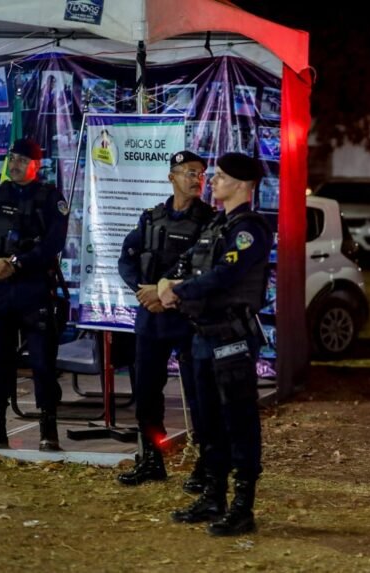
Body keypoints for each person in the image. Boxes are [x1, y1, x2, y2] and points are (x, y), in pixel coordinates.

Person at [158, 152, 271, 537]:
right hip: (204, 336)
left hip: (233, 339)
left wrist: (177, 291)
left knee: (237, 421)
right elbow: (186, 262)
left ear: (240, 185)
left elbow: (225, 274)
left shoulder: (249, 229)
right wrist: (166, 283)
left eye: (220, 176)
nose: (213, 181)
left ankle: (242, 506)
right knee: (208, 421)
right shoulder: (216, 225)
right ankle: (213, 495)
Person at [117, 151, 214, 488]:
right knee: (146, 391)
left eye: (200, 173)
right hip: (151, 320)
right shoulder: (151, 218)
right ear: (172, 176)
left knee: (198, 393)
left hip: (187, 320)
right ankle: (151, 458)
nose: (196, 179)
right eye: (189, 172)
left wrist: (163, 295)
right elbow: (126, 259)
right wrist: (142, 291)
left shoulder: (210, 221)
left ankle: (205, 465)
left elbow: (201, 266)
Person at [0, 138, 69, 451]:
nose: (13, 164)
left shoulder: (50, 197)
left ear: (34, 165)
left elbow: (54, 242)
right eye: (11, 158)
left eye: (20, 159)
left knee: (41, 362)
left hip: (34, 289)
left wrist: (19, 262)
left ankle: (47, 429)